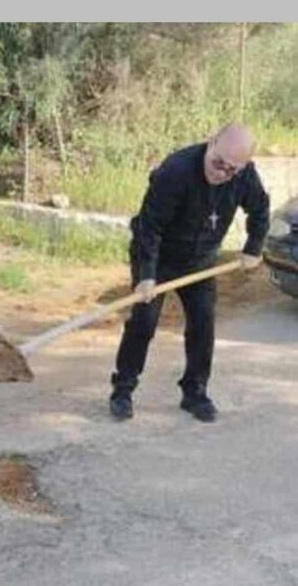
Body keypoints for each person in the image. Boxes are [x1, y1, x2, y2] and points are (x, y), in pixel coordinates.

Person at [108, 123, 269, 423]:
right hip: (158, 256)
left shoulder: (245, 175)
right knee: (144, 321)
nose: (222, 173)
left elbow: (260, 209)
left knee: (203, 323)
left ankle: (194, 392)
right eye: (218, 163)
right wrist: (146, 275)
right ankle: (123, 391)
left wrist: (253, 248)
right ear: (211, 142)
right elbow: (149, 227)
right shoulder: (177, 170)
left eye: (231, 170)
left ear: (243, 166)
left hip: (201, 260)